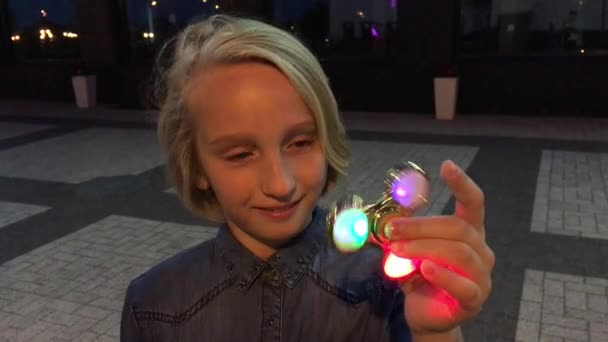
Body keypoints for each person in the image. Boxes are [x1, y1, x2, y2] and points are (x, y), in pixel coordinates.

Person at [120, 15, 494, 341]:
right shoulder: (153, 305)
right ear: (197, 168)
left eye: (300, 142)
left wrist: (436, 332)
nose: (281, 185)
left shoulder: (389, 285)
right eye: (240, 154)